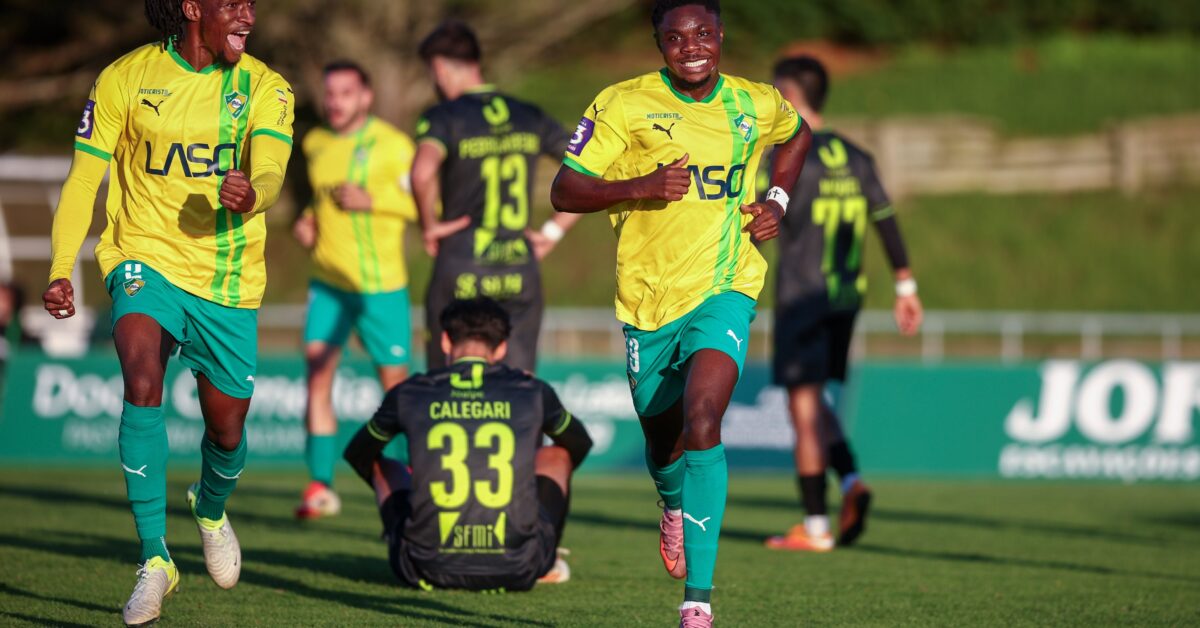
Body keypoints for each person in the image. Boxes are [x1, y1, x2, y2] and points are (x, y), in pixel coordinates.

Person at [548, 1, 812, 625]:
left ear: (721, 36)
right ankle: (672, 503)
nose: (691, 46)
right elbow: (564, 189)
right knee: (662, 438)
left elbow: (797, 133)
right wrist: (638, 187)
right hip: (648, 302)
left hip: (726, 286)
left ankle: (697, 602)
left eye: (703, 33)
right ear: (659, 44)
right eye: (675, 37)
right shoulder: (622, 104)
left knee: (703, 419)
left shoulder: (753, 101)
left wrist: (777, 199)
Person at [41, 0, 293, 624]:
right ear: (192, 7)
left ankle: (209, 507)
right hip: (142, 257)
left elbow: (271, 169)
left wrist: (253, 193)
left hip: (227, 278)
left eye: (251, 5)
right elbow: (83, 180)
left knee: (227, 429)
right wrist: (60, 268)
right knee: (141, 379)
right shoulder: (123, 78)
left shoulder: (266, 86)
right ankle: (155, 558)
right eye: (233, 4)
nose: (248, 15)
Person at [762, 56, 923, 552]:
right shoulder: (858, 156)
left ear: (791, 96)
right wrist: (905, 286)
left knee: (803, 407)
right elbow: (885, 218)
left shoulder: (788, 155)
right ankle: (851, 481)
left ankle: (815, 527)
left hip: (801, 297)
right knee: (815, 399)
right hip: (846, 296)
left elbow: (761, 220)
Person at [342, 297, 592, 591]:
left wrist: (412, 494)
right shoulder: (532, 391)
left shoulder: (410, 392)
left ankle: (406, 533)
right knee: (557, 454)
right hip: (519, 567)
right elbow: (579, 443)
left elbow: (358, 453)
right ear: (502, 347)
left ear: (445, 341)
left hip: (421, 567)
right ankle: (547, 561)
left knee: (384, 465)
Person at [412, 21, 580, 373]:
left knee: (445, 384)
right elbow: (590, 168)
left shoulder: (444, 117)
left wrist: (429, 225)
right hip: (518, 267)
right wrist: (553, 231)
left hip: (461, 263)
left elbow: (422, 173)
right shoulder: (528, 114)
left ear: (440, 68)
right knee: (520, 386)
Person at [291, 60, 418, 520]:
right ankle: (320, 486)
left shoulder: (394, 145)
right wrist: (307, 222)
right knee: (317, 375)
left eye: (346, 93)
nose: (335, 102)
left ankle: (409, 481)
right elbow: (318, 201)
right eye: (330, 93)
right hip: (328, 283)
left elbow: (427, 204)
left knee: (395, 389)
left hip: (380, 287)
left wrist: (373, 201)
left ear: (366, 96)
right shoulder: (315, 143)